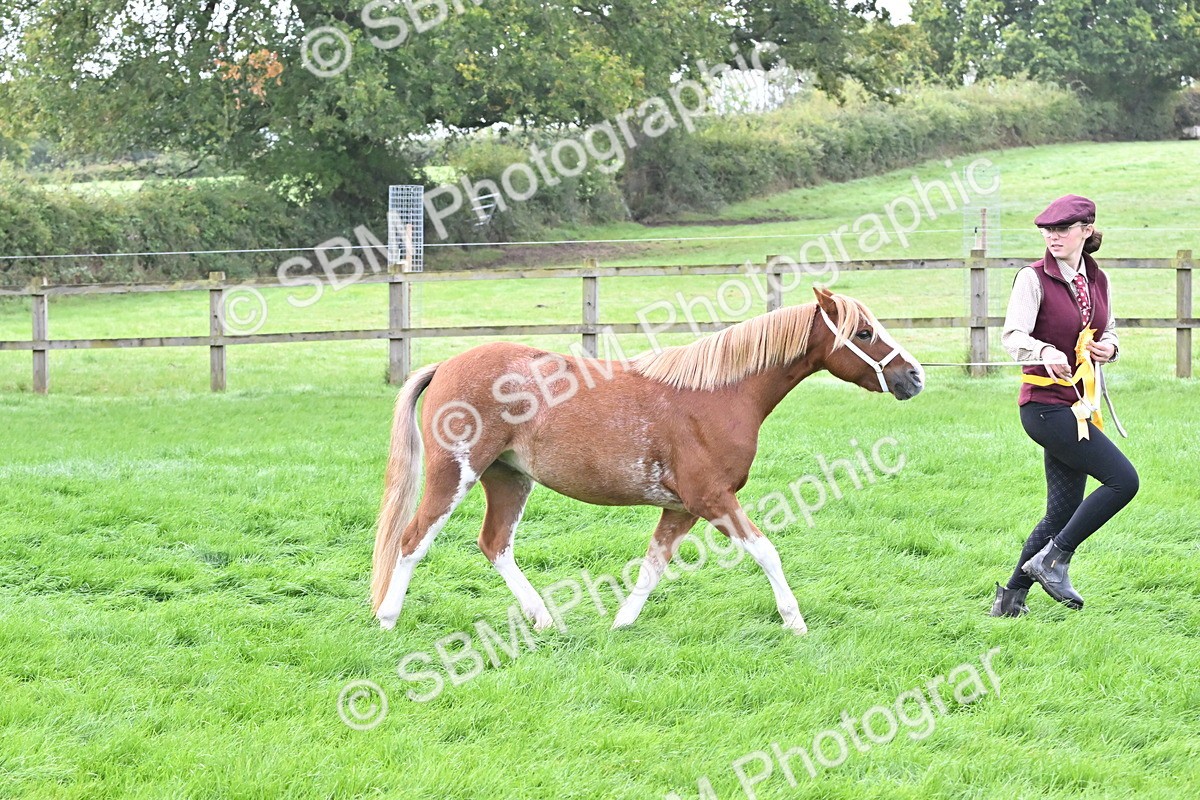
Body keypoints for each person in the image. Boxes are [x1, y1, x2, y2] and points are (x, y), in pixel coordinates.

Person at [990, 194, 1139, 617]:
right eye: (1047, 230)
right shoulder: (1032, 278)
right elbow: (1013, 336)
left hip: (1079, 408)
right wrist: (1042, 351)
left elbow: (1108, 328)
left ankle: (1010, 599)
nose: (1052, 237)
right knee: (1123, 481)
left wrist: (1109, 347)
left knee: (1061, 511)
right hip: (1044, 408)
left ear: (1086, 231)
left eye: (1062, 230)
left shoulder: (1097, 279)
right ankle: (1055, 560)